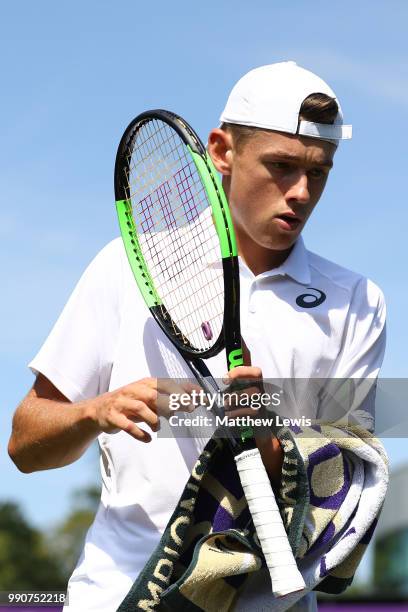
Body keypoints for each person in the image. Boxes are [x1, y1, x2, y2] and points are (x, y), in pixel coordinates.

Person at [8, 61, 386, 611]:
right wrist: (96, 411)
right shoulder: (123, 265)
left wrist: (266, 435)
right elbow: (24, 444)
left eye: (320, 172)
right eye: (281, 166)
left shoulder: (357, 300)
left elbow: (345, 489)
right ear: (221, 151)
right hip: (116, 597)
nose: (301, 192)